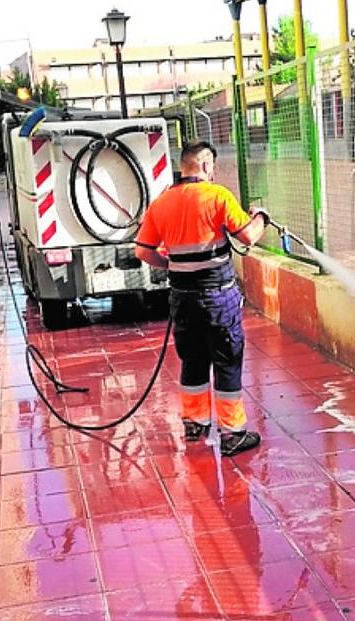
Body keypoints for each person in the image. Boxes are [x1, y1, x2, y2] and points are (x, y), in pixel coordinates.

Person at [134, 140, 268, 457]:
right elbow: (247, 236)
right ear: (206, 165)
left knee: (192, 360)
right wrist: (260, 217)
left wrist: (173, 265)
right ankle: (233, 433)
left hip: (182, 299)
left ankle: (195, 424)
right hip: (218, 297)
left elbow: (142, 251)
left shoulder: (162, 202)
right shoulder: (217, 195)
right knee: (226, 361)